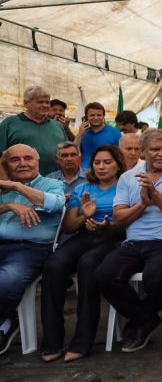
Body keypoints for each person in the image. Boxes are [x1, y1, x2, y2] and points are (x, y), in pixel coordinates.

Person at [95, 129, 162, 353]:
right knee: (104, 275)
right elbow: (119, 218)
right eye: (155, 149)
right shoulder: (128, 177)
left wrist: (155, 194)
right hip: (135, 241)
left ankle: (141, 321)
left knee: (156, 277)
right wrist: (142, 205)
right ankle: (145, 319)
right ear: (142, 152)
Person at [40, 145, 127, 362]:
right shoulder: (83, 188)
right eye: (97, 162)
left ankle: (82, 342)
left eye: (107, 162)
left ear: (117, 164)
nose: (101, 166)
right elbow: (69, 226)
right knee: (53, 266)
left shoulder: (125, 186)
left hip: (114, 237)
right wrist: (84, 216)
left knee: (88, 266)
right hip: (85, 235)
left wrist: (107, 225)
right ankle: (52, 341)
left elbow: (128, 222)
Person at [0, 144, 66, 355]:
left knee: (7, 280)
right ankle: (7, 318)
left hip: (31, 249)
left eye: (28, 158)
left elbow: (54, 204)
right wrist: (10, 205)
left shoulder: (53, 184)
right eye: (15, 160)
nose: (22, 163)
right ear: (6, 164)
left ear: (37, 162)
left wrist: (18, 187)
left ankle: (7, 320)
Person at [0, 86, 67, 177]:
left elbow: (67, 152)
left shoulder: (57, 125)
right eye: (40, 102)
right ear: (26, 103)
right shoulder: (10, 123)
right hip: (20, 183)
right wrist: (5, 181)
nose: (45, 105)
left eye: (47, 102)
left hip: (55, 182)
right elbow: (1, 157)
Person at [75, 102, 121, 170]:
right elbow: (73, 151)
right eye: (92, 115)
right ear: (86, 117)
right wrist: (79, 134)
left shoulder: (114, 133)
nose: (96, 118)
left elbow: (121, 155)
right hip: (84, 173)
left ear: (103, 116)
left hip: (105, 171)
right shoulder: (83, 132)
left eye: (99, 115)